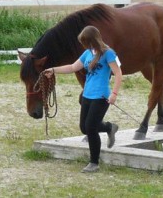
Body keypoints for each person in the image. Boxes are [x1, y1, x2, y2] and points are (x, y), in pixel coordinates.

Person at [43, 25, 122, 173]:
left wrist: (115, 94)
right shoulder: (87, 53)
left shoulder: (109, 53)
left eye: (85, 42)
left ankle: (94, 162)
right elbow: (73, 67)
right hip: (87, 95)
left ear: (92, 40)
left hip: (101, 96)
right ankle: (109, 127)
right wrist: (53, 70)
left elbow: (118, 73)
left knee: (91, 128)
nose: (83, 45)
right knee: (84, 127)